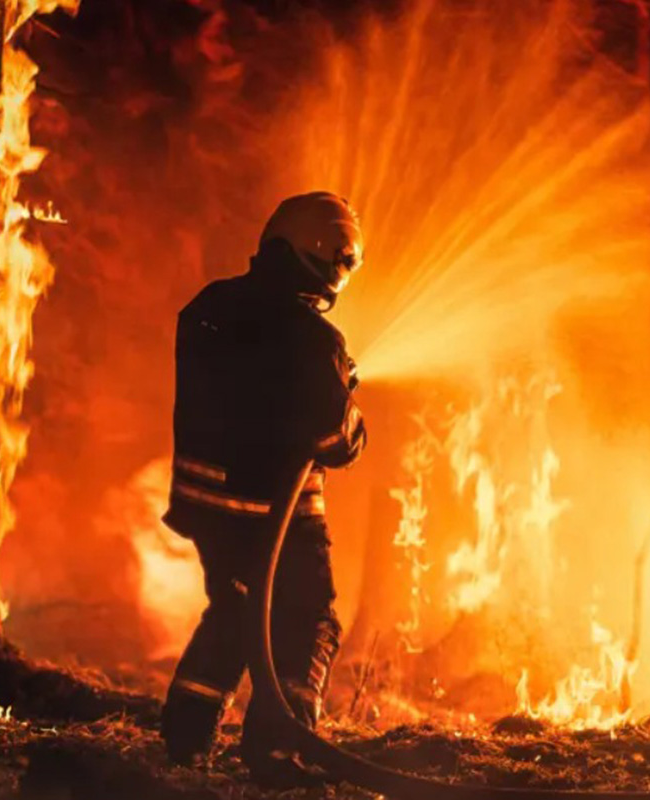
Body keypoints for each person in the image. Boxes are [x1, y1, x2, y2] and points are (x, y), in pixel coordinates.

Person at [160, 191, 368, 785]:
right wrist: (348, 398)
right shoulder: (315, 340)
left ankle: (185, 732)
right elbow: (336, 443)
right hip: (277, 519)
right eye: (344, 262)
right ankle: (283, 749)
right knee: (309, 623)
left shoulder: (207, 308)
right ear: (327, 256)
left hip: (205, 510)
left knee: (233, 611)